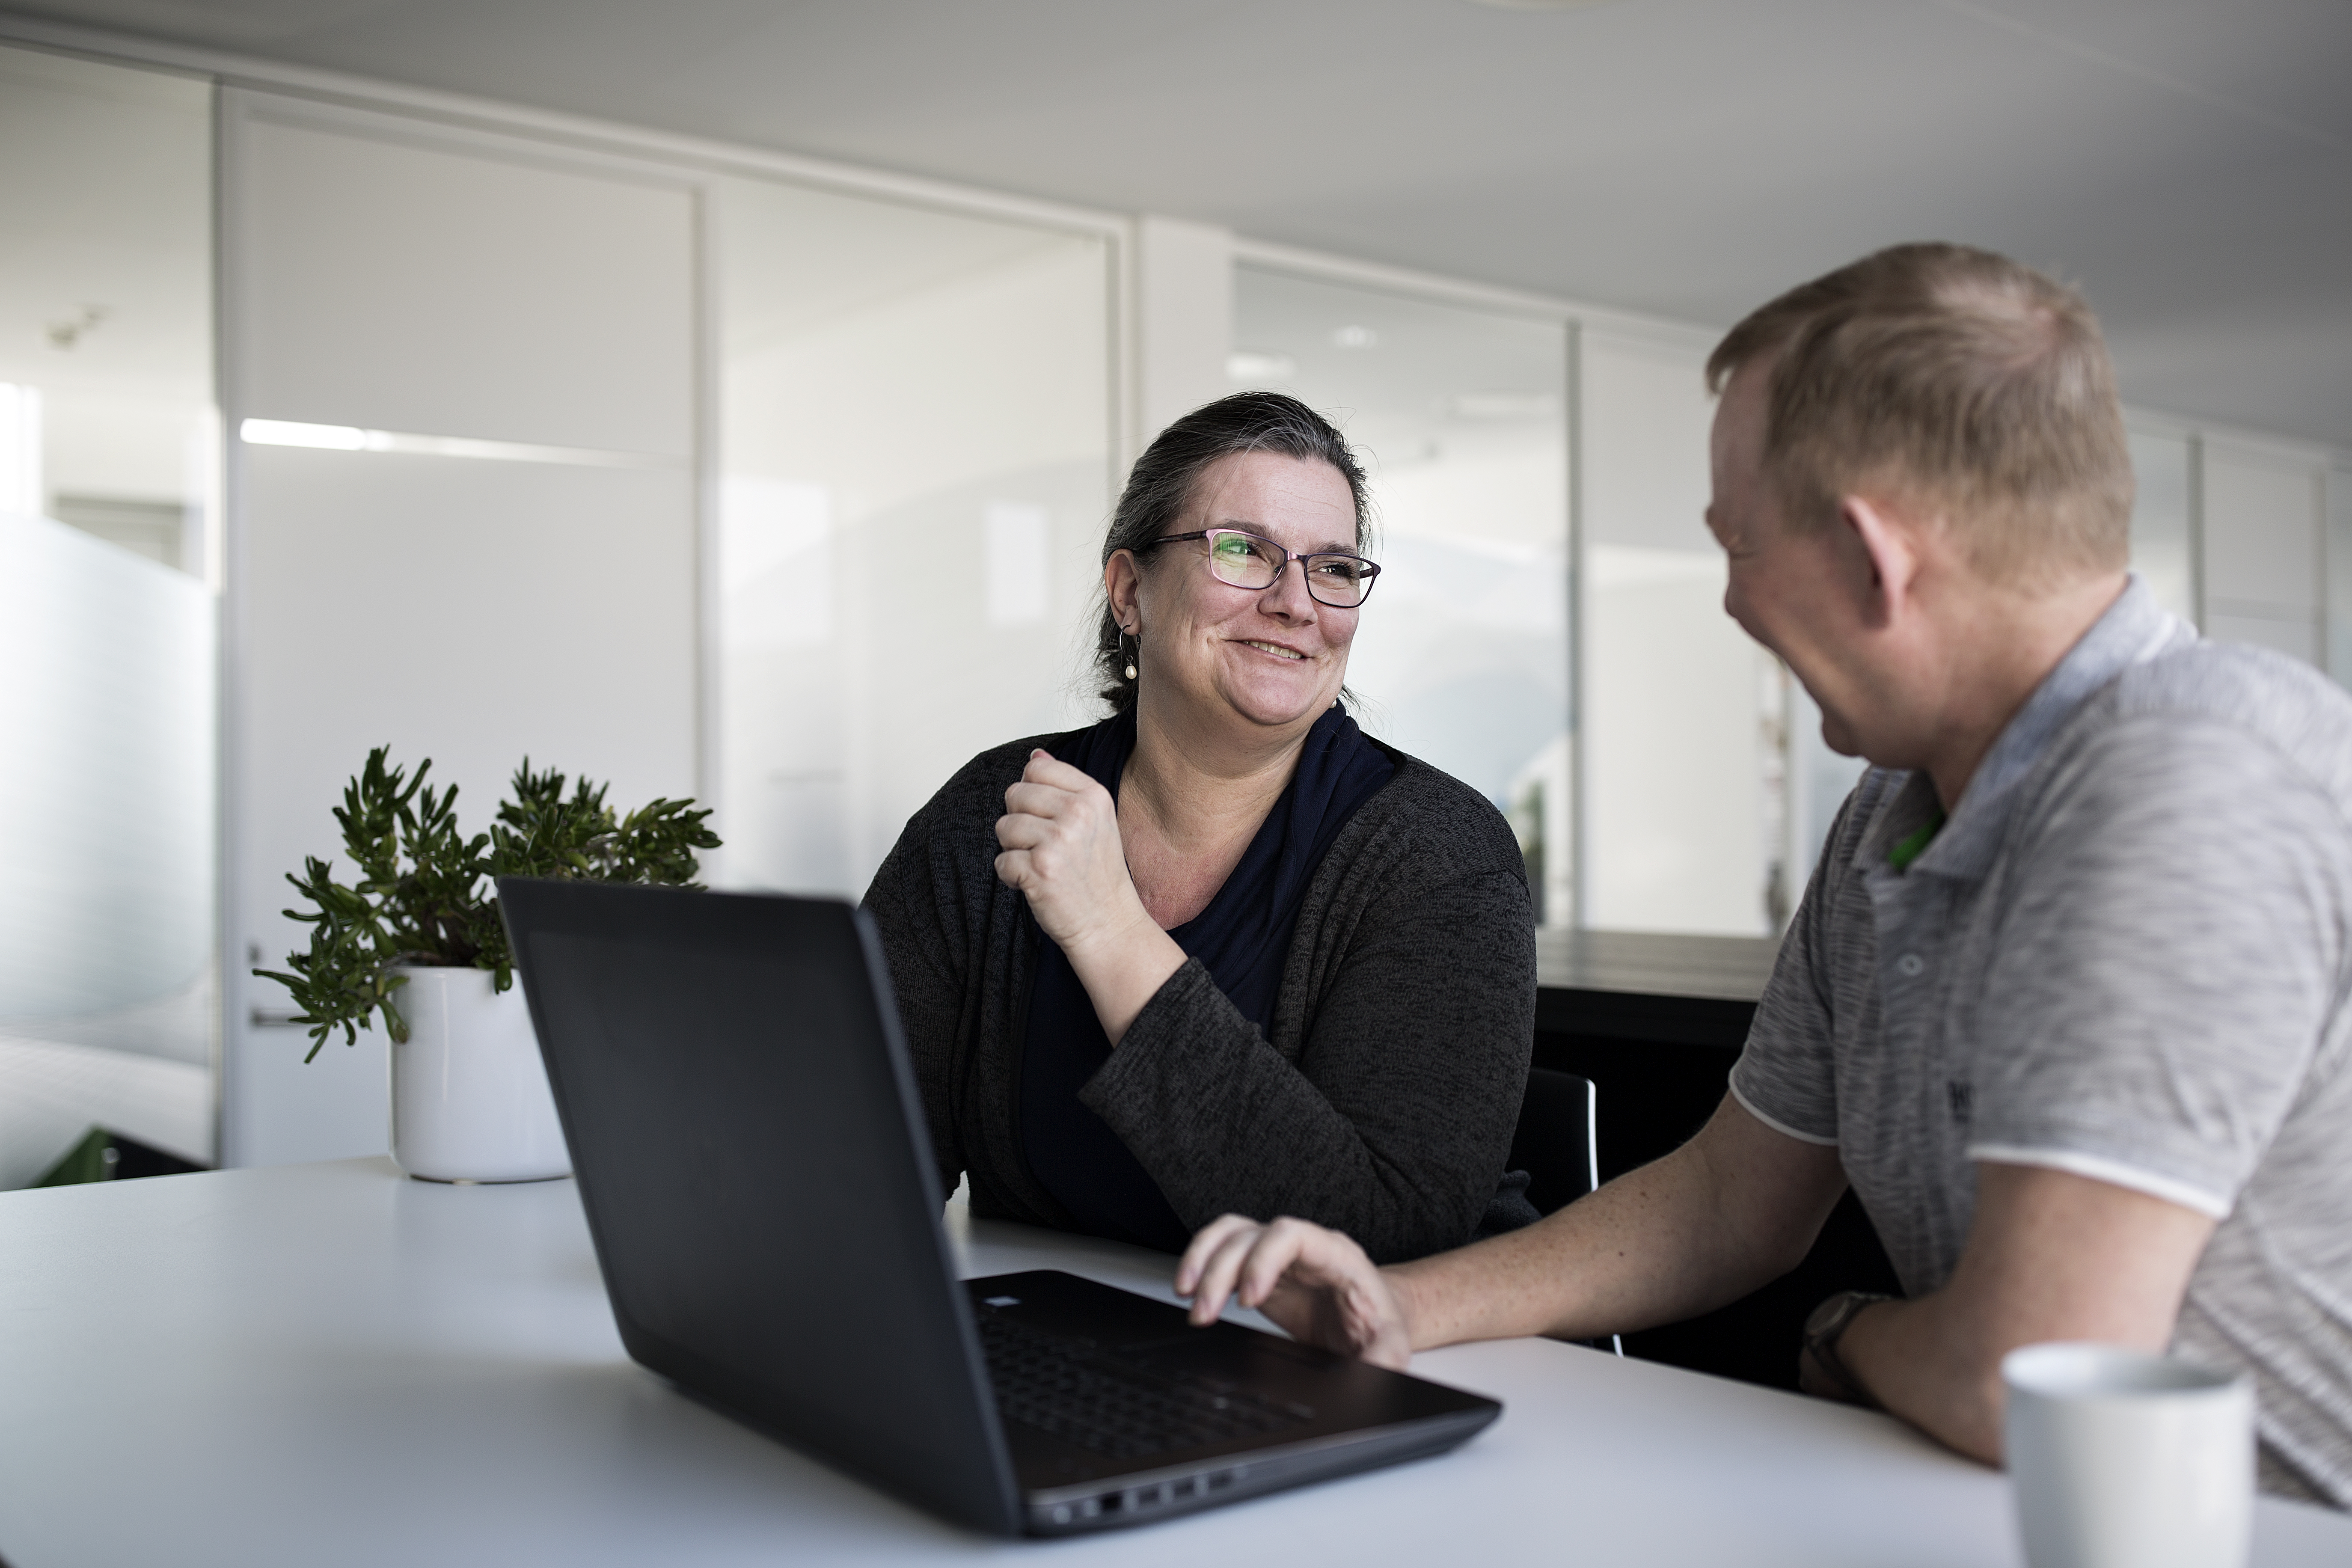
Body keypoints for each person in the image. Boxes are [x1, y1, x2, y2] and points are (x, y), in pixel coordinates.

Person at [1176, 244, 2352, 1509]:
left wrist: (1842, 1331)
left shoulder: (2190, 776)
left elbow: (2024, 1376)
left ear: (1870, 558)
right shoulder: (1892, 813)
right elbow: (1733, 1200)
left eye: (1739, 545)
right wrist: (1397, 1302)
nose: (1733, 603)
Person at [864, 391, 1541, 1262]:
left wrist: (1112, 928)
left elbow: (1379, 1233)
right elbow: (866, 1161)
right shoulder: (995, 811)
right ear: (1129, 590)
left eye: (1333, 567)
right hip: (1072, 1343)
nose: (1298, 602)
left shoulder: (1439, 855)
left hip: (1385, 1367)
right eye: (1243, 550)